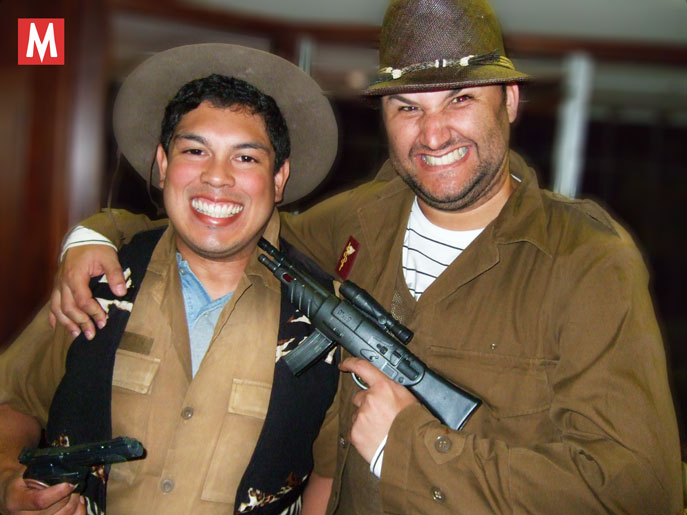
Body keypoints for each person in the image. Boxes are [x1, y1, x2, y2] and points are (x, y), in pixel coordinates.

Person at [47, 0, 683, 512]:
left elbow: (638, 490)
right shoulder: (356, 222)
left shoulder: (586, 259)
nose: (433, 133)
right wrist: (97, 235)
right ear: (385, 116)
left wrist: (406, 446)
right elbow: (226, 218)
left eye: (460, 99)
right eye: (408, 108)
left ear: (509, 101)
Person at [0, 43, 341, 514]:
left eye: (246, 158)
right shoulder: (97, 284)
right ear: (162, 165)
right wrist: (9, 482)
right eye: (195, 151)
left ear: (279, 179)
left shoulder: (328, 323)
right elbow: (14, 401)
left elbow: (329, 470)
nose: (217, 177)